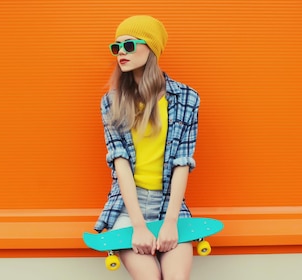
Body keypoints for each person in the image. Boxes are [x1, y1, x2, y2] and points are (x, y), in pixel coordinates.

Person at [94, 15, 200, 280]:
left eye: (128, 45)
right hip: (128, 209)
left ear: (151, 48)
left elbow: (182, 162)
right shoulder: (112, 101)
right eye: (116, 47)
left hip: (170, 205)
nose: (120, 53)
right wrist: (138, 225)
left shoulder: (186, 98)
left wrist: (172, 222)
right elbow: (120, 165)